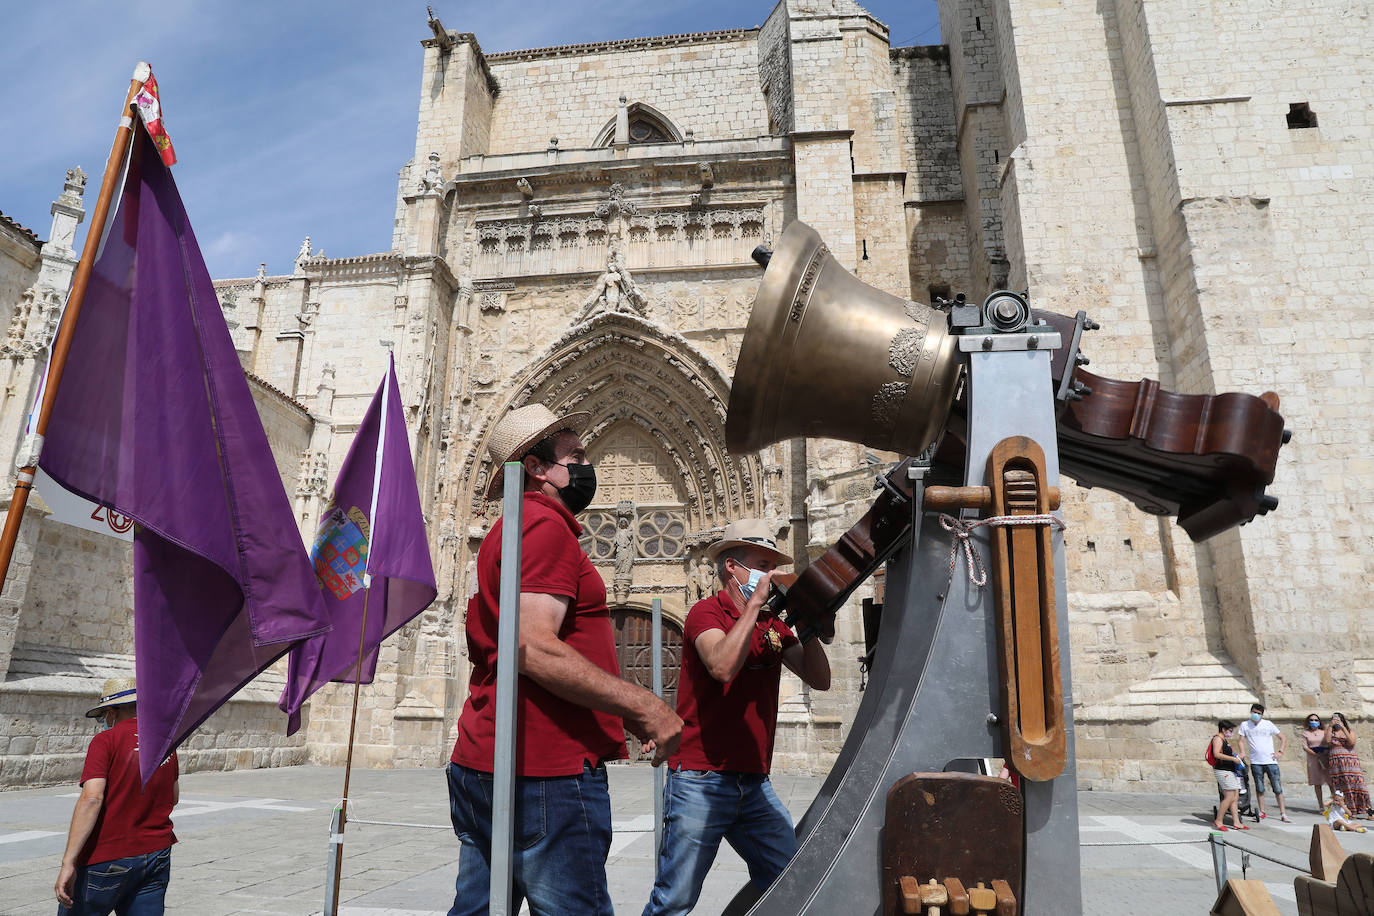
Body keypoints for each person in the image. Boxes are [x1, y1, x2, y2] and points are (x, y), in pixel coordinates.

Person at [448, 403, 683, 916]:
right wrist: (643, 704)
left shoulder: (508, 530)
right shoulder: (544, 525)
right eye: (574, 455)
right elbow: (532, 646)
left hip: (489, 758)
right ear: (535, 469)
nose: (586, 465)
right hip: (545, 771)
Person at [642, 519, 831, 916]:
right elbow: (723, 666)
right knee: (675, 899)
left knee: (789, 882)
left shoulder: (775, 626)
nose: (771, 574)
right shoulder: (705, 613)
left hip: (753, 783)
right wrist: (757, 604)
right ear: (733, 567)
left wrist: (809, 623)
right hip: (700, 779)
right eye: (763, 564)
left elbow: (820, 679)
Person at [54, 677, 179, 915]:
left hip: (108, 855)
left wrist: (68, 862)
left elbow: (92, 798)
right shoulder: (166, 743)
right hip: (156, 852)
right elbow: (173, 796)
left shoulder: (105, 741)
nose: (104, 721)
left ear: (112, 711)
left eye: (104, 716)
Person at [1236, 702, 1290, 822]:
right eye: (1254, 712)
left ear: (1262, 715)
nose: (1256, 715)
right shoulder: (1245, 725)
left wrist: (1280, 751)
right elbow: (1240, 740)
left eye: (1258, 713)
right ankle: (1262, 811)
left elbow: (1282, 737)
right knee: (1259, 788)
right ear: (1251, 712)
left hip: (1270, 761)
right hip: (1256, 761)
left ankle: (1283, 813)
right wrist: (1242, 751)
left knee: (1277, 788)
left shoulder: (1268, 724)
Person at [1324, 712, 1371, 818]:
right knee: (1342, 787)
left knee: (1358, 784)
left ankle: (1367, 809)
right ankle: (1349, 810)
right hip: (1336, 763)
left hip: (1350, 762)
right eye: (1334, 719)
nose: (1336, 721)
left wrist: (1343, 728)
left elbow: (1351, 742)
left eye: (1338, 719)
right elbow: (1327, 741)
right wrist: (1331, 726)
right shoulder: (1330, 731)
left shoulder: (1349, 731)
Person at [1211, 720, 1249, 831]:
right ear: (1223, 729)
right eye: (1230, 730)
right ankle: (1218, 820)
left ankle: (1236, 822)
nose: (1231, 733)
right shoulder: (1218, 739)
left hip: (1229, 770)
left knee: (1235, 796)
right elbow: (1217, 754)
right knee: (1229, 796)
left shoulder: (1223, 739)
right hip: (1223, 771)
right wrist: (1233, 759)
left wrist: (1236, 756)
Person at [1302, 713, 1330, 809]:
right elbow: (1305, 746)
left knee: (1330, 782)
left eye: (1316, 720)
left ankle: (1335, 803)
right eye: (1311, 720)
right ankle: (1321, 806)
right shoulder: (1306, 733)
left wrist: (1325, 753)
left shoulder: (1324, 732)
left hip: (1325, 756)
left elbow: (1328, 742)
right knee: (1317, 783)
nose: (1314, 722)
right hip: (1313, 758)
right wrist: (1314, 753)